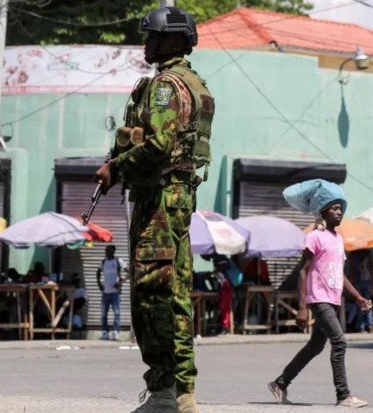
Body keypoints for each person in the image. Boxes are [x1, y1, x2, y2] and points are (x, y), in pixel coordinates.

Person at [94, 6, 213, 412]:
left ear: (175, 41)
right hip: (176, 197)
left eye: (153, 37)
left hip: (158, 199)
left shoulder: (166, 85)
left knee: (151, 295)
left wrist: (116, 167)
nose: (146, 44)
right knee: (175, 292)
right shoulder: (193, 82)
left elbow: (159, 146)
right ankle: (182, 392)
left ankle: (164, 391)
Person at [268, 199, 369, 408]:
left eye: (341, 209)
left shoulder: (338, 239)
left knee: (315, 347)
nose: (339, 212)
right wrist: (302, 307)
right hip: (318, 298)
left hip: (333, 299)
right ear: (323, 214)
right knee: (339, 342)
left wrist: (357, 296)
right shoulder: (314, 237)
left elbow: (339, 273)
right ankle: (343, 395)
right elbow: (303, 270)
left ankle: (280, 383)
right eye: (334, 209)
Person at [96, 245, 127, 340]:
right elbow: (98, 272)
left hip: (115, 293)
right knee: (103, 314)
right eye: (106, 250)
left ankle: (116, 333)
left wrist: (120, 282)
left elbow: (129, 271)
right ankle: (105, 333)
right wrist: (99, 284)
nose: (106, 252)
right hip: (105, 292)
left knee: (117, 313)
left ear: (113, 251)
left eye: (108, 250)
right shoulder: (104, 262)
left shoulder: (118, 261)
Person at [348, 250, 373, 333]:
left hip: (358, 281)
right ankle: (369, 325)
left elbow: (352, 269)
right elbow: (372, 267)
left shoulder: (353, 254)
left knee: (360, 304)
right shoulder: (367, 253)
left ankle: (361, 326)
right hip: (365, 280)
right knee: (367, 303)